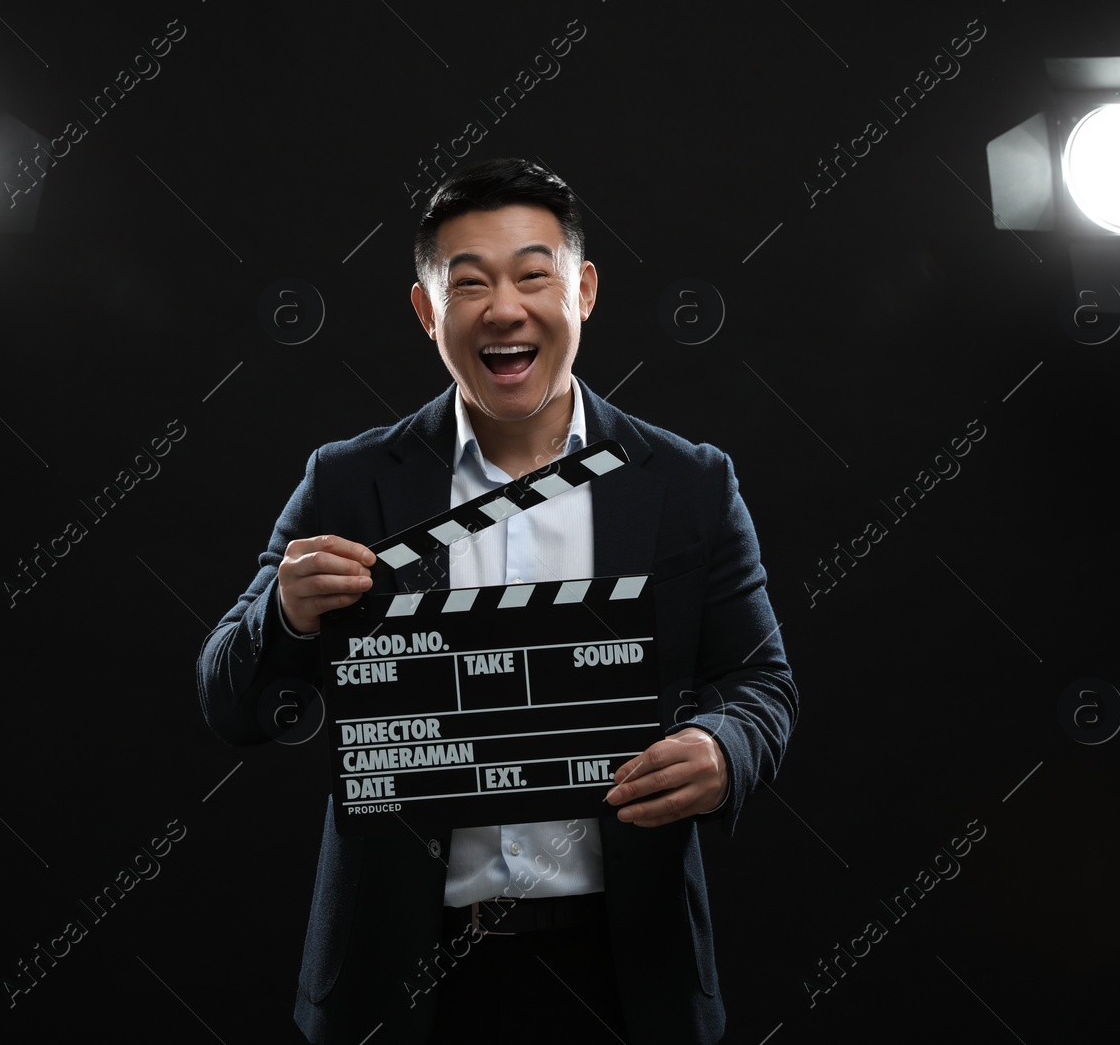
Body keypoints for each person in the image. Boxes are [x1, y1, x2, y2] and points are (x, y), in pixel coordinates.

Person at [196, 157, 797, 1044]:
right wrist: (282, 613)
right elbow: (227, 699)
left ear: (584, 290)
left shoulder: (690, 483)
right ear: (426, 311)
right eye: (468, 283)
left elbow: (762, 685)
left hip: (626, 966)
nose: (504, 309)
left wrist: (724, 746)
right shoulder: (349, 480)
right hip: (402, 971)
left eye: (533, 274)